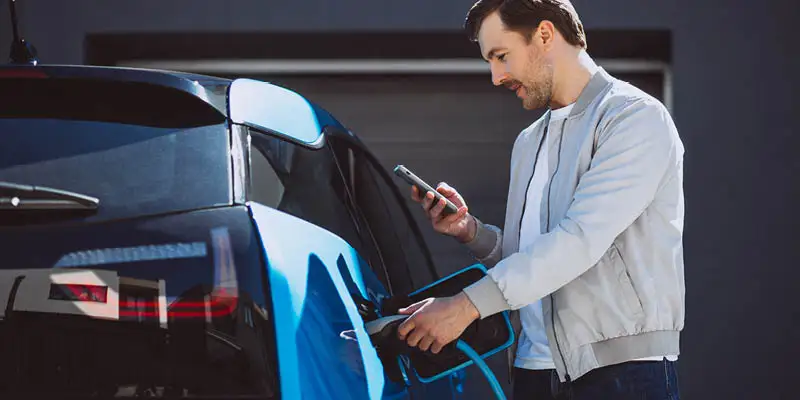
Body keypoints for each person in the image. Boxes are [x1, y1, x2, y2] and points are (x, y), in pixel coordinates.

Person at [394, 0, 685, 399]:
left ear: (545, 35)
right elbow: (530, 259)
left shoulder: (633, 118)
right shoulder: (529, 141)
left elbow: (579, 241)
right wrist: (471, 232)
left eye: (501, 56)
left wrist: (465, 307)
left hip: (620, 374)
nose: (496, 77)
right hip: (533, 373)